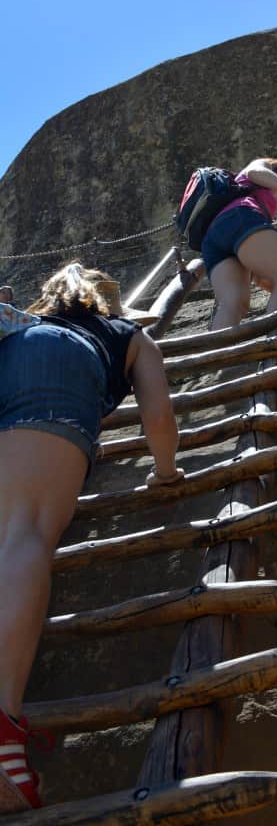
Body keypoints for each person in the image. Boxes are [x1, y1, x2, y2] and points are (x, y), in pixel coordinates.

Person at [0, 262, 183, 812]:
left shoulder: (21, 324)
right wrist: (167, 471)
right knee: (25, 532)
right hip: (52, 394)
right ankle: (3, 733)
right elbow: (159, 413)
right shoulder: (127, 334)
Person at [200, 157, 277, 330]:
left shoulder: (242, 194)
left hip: (213, 239)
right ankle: (273, 349)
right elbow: (255, 171)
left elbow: (257, 269)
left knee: (233, 303)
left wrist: (276, 285)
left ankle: (218, 356)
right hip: (240, 217)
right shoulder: (261, 169)